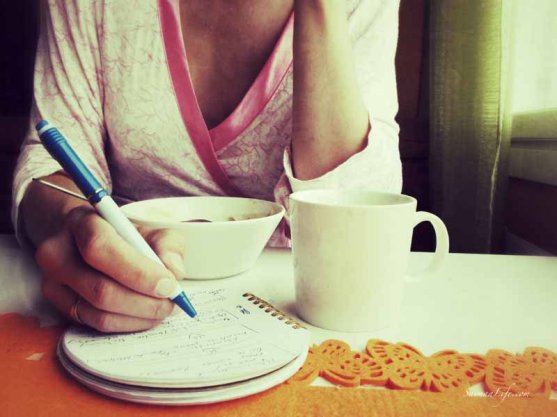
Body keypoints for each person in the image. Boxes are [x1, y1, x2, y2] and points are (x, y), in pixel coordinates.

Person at [12, 0, 402, 333]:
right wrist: (75, 224)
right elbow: (51, 159)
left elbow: (354, 212)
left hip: (299, 315)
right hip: (130, 301)